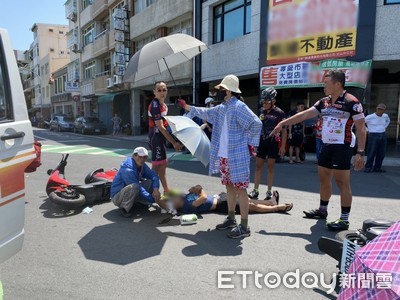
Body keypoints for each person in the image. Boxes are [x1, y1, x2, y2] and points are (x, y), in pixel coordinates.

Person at [270, 70, 367, 231]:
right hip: (326, 145)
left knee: (342, 182)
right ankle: (322, 211)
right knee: (324, 179)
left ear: (337, 84)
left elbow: (361, 128)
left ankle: (344, 219)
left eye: (326, 83)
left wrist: (361, 152)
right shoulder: (324, 102)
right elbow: (304, 115)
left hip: (343, 146)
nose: (323, 86)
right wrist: (282, 123)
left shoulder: (352, 102)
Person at [177, 74, 262, 238]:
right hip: (225, 156)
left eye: (221, 89)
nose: (219, 92)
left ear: (229, 91)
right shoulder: (222, 108)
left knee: (241, 191)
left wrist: (250, 144)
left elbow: (256, 123)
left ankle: (244, 226)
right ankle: (231, 218)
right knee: (229, 188)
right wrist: (186, 106)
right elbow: (205, 112)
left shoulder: (239, 107)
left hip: (237, 156)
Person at [248, 87, 287, 200]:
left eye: (267, 102)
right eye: (263, 102)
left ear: (273, 101)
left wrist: (283, 146)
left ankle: (269, 191)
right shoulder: (261, 111)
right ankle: (255, 190)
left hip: (273, 142)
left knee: (270, 167)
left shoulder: (279, 113)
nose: (264, 104)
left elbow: (284, 130)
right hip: (261, 141)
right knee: (258, 166)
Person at [148, 81, 182, 193]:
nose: (162, 92)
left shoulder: (164, 105)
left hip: (161, 138)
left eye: (164, 90)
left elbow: (166, 124)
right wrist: (174, 142)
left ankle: (166, 191)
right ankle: (151, 193)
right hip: (156, 138)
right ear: (154, 92)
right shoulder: (155, 105)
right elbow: (161, 127)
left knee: (163, 167)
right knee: (156, 169)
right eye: (159, 90)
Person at [164, 185, 293, 215]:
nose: (175, 196)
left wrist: (194, 189)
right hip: (221, 204)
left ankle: (270, 202)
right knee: (249, 206)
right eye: (173, 198)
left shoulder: (185, 197)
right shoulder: (188, 207)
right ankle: (277, 208)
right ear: (175, 204)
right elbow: (203, 198)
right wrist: (200, 189)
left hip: (219, 197)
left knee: (246, 199)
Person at [110, 147, 162, 218]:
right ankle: (124, 208)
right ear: (134, 156)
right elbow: (139, 189)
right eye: (140, 157)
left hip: (131, 191)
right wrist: (154, 200)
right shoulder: (127, 170)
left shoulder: (142, 165)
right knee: (134, 186)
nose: (142, 159)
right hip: (117, 197)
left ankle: (140, 203)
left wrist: (156, 189)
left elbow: (154, 175)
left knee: (150, 182)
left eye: (144, 157)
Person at [364, 103, 390, 173]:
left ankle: (377, 167)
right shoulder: (370, 117)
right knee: (371, 151)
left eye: (381, 109)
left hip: (383, 134)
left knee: (381, 153)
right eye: (379, 109)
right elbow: (361, 123)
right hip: (373, 134)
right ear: (376, 109)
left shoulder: (385, 116)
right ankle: (368, 167)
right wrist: (367, 130)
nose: (380, 111)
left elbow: (388, 121)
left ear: (384, 110)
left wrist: (385, 127)